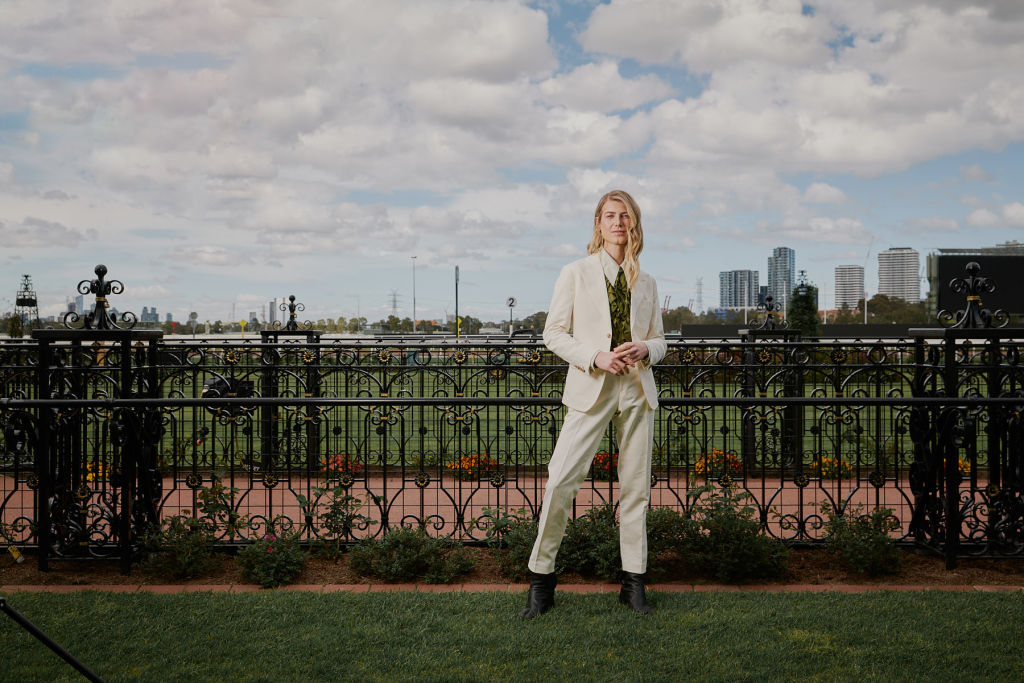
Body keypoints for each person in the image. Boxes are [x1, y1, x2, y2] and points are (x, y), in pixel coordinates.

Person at [520, 189, 666, 618]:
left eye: (625, 216)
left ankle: (633, 584)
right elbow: (554, 333)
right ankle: (541, 582)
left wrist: (645, 349)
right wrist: (596, 356)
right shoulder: (576, 273)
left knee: (636, 490)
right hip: (591, 388)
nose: (617, 222)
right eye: (609, 216)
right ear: (598, 224)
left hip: (637, 391)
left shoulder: (648, 281)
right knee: (560, 481)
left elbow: (659, 339)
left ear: (634, 224)